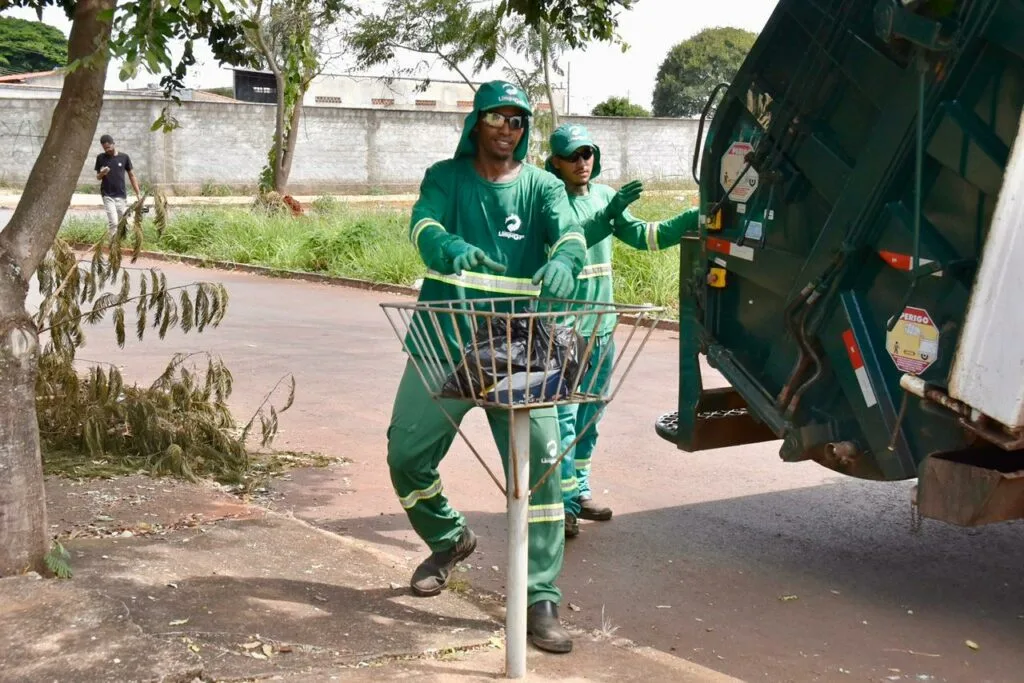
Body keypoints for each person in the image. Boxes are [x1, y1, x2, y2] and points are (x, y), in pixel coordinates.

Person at [386, 81, 587, 654]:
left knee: (540, 471)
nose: (509, 128)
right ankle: (448, 538)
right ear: (477, 122)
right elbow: (423, 226)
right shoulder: (445, 178)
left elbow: (568, 232)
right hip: (442, 340)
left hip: (520, 347)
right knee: (406, 453)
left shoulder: (544, 186)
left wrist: (569, 258)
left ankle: (539, 599)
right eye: (498, 117)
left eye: (519, 120)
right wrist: (447, 248)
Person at [544, 123, 698, 538]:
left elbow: (645, 236)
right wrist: (605, 218)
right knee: (563, 419)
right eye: (573, 156)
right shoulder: (549, 198)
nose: (582, 162)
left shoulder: (606, 196)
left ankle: (581, 491)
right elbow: (565, 239)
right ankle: (562, 503)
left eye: (588, 153)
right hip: (563, 330)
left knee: (591, 415)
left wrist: (693, 217)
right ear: (555, 161)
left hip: (601, 328)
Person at [94, 134, 141, 237]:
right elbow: (98, 177)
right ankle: (113, 246)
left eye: (108, 147)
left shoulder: (124, 157)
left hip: (121, 195)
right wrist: (102, 173)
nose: (107, 150)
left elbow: (132, 176)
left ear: (113, 144)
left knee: (123, 222)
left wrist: (138, 194)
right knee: (114, 223)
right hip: (107, 194)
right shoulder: (100, 158)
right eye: (104, 148)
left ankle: (121, 242)